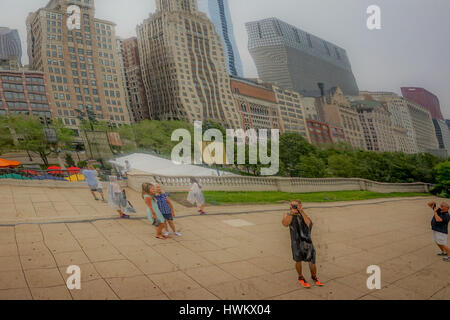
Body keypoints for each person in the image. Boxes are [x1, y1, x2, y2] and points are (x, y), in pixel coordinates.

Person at [282, 200, 324, 288]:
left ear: (300, 206)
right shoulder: (288, 215)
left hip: (307, 242)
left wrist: (301, 211)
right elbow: (285, 224)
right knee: (298, 260)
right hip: (296, 242)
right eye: (293, 205)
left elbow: (309, 224)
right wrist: (291, 213)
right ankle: (300, 277)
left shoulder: (303, 214)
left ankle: (314, 276)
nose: (294, 207)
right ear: (290, 206)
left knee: (312, 261)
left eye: (296, 205)